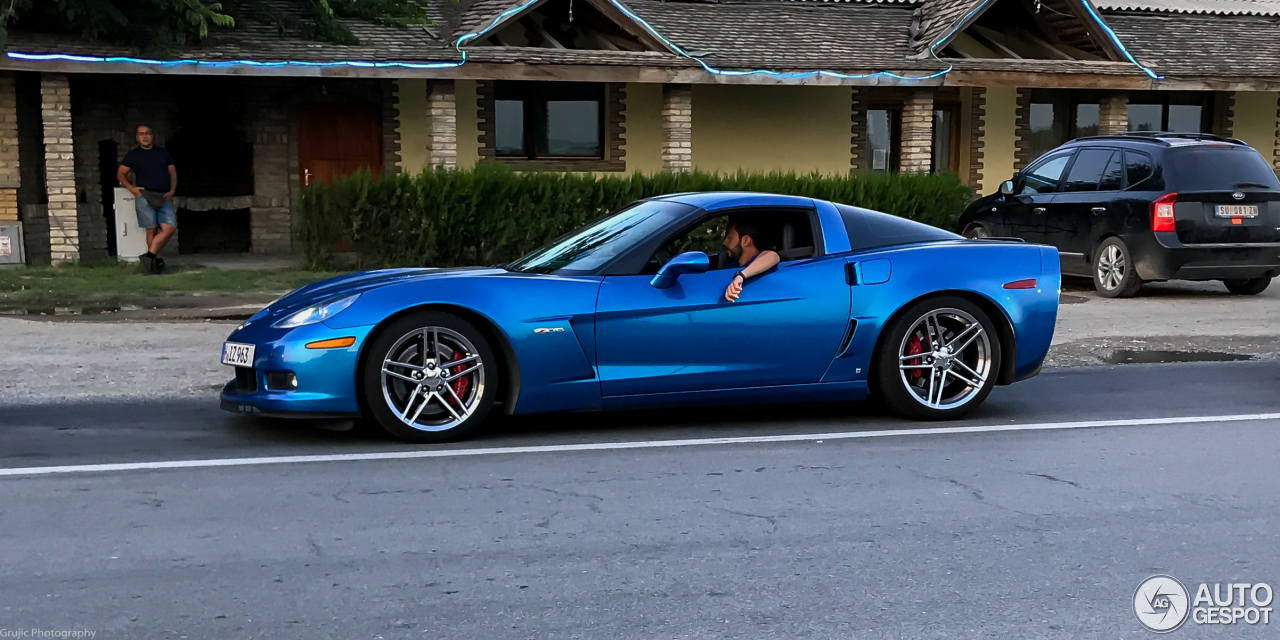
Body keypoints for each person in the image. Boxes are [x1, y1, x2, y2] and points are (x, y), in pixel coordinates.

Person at [117, 124, 177, 275]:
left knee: (169, 227)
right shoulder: (133, 155)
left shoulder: (162, 153)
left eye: (147, 133)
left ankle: (148, 256)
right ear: (137, 137)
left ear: (152, 135)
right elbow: (120, 175)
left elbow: (172, 172)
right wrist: (132, 189)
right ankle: (156, 263)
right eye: (141, 134)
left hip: (163, 196)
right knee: (151, 229)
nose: (144, 136)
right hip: (144, 196)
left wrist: (172, 190)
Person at [722, 215, 780, 303]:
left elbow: (773, 256)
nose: (725, 242)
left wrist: (741, 276)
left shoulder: (758, 262)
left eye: (729, 237)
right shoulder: (733, 263)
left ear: (746, 240)